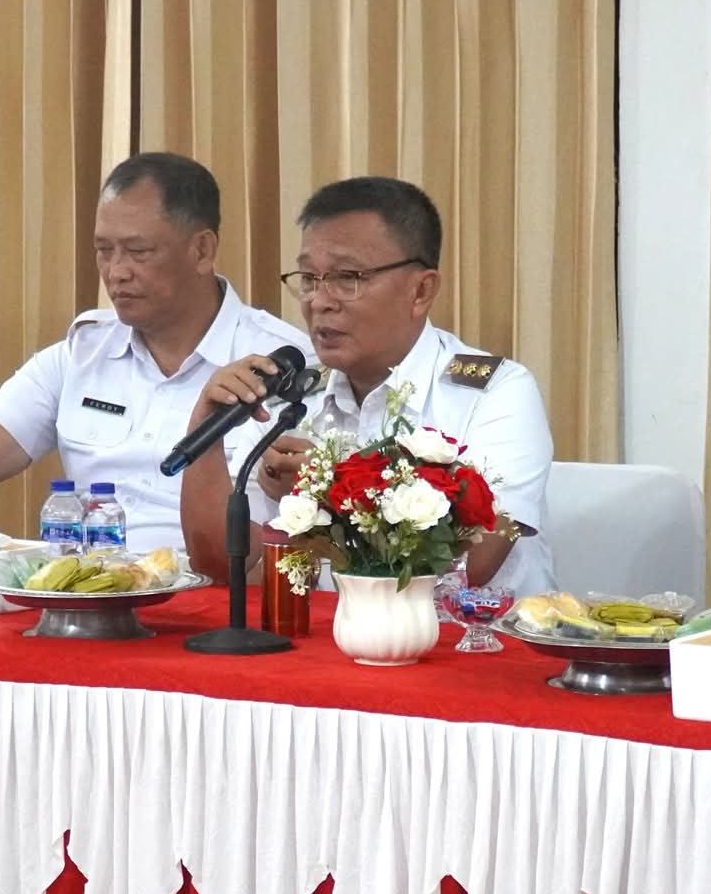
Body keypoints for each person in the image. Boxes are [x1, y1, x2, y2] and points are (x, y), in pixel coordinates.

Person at [0, 152, 307, 553]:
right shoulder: (81, 353)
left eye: (138, 252)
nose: (116, 272)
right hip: (92, 589)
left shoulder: (282, 364)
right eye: (104, 251)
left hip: (219, 592)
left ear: (202, 250)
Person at [179, 177, 555, 595]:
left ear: (421, 291)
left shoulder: (497, 393)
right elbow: (225, 566)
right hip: (322, 634)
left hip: (469, 633)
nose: (319, 300)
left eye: (347, 277)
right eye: (309, 278)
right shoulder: (291, 398)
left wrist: (328, 492)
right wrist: (206, 432)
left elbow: (473, 565)